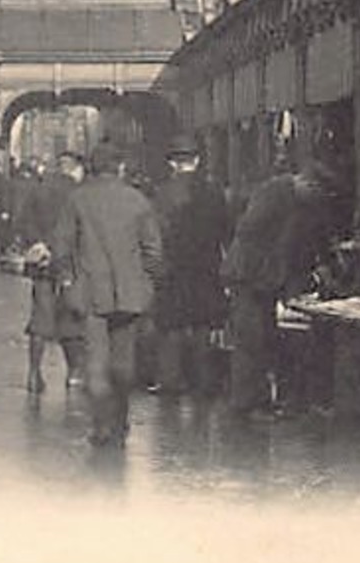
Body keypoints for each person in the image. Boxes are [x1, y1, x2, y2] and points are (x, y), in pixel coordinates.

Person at [49, 142, 164, 448]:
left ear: (92, 168)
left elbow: (60, 248)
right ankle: (121, 420)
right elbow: (153, 251)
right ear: (120, 167)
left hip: (89, 293)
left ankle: (101, 426)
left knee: (96, 362)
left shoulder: (78, 199)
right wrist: (147, 284)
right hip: (130, 293)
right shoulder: (137, 200)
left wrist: (68, 281)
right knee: (124, 362)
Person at [222, 157, 334, 420]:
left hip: (266, 281)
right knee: (251, 339)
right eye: (316, 192)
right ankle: (246, 404)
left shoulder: (304, 203)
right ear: (305, 182)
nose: (317, 200)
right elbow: (248, 230)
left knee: (265, 337)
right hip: (247, 276)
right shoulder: (273, 192)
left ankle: (260, 401)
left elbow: (308, 241)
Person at [151, 134, 232, 397]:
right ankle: (204, 382)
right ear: (196, 161)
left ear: (172, 163)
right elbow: (226, 231)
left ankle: (170, 381)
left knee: (171, 327)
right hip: (206, 269)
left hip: (172, 269)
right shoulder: (215, 191)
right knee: (203, 326)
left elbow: (155, 234)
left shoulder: (162, 193)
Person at [24, 150, 87, 393]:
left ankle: (33, 373)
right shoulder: (79, 194)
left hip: (42, 263)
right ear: (75, 168)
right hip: (70, 264)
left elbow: (24, 221)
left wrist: (38, 244)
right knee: (71, 319)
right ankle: (74, 373)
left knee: (41, 318)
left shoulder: (39, 190)